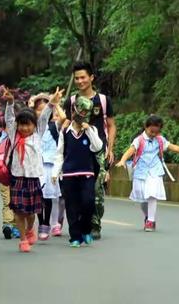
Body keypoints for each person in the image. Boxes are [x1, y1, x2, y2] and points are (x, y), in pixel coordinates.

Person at [3, 86, 63, 253]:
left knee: (31, 212)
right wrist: (10, 102)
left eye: (28, 125)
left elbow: (44, 117)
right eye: (21, 125)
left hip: (33, 178)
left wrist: (53, 102)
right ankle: (23, 239)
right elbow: (9, 119)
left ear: (34, 125)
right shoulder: (14, 134)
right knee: (19, 211)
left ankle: (30, 229)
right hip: (17, 178)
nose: (24, 128)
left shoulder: (38, 133)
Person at [63, 62, 117, 240]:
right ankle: (80, 223)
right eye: (76, 78)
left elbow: (111, 125)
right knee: (79, 191)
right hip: (77, 150)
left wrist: (110, 148)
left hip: (98, 151)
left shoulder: (102, 100)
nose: (79, 81)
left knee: (97, 190)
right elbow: (66, 124)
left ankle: (95, 224)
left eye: (83, 77)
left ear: (91, 77)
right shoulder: (71, 101)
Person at [116, 115, 179, 232]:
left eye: (156, 132)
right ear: (145, 127)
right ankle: (148, 216)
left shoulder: (160, 140)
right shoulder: (139, 140)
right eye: (151, 131)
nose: (153, 134)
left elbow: (173, 147)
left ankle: (151, 221)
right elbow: (130, 150)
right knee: (143, 199)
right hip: (141, 171)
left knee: (152, 194)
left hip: (155, 170)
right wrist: (122, 160)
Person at [52, 96, 103, 247]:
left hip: (87, 174)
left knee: (88, 203)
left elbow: (97, 147)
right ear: (74, 111)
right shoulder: (65, 132)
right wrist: (55, 173)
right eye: (81, 111)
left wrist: (89, 131)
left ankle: (86, 229)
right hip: (69, 174)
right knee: (71, 207)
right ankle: (75, 237)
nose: (83, 115)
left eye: (86, 112)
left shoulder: (91, 130)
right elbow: (60, 154)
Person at [30, 93, 66, 240]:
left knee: (49, 197)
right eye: (39, 109)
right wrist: (31, 104)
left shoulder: (54, 126)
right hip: (37, 166)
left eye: (45, 109)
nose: (42, 112)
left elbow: (63, 118)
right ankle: (40, 224)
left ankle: (47, 224)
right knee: (39, 196)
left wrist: (55, 103)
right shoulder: (33, 128)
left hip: (51, 166)